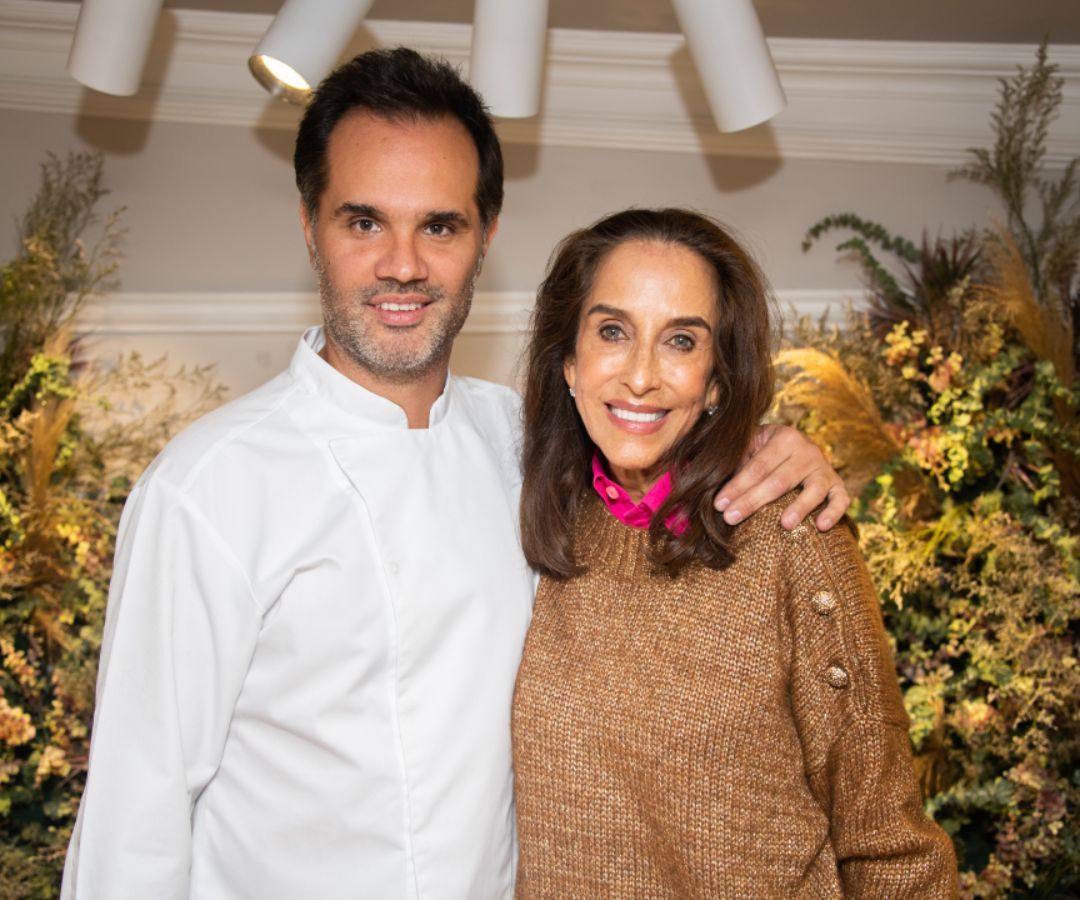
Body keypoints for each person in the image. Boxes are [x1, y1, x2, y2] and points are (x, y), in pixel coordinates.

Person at [61, 50, 849, 899]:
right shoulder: (206, 490)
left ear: (485, 238)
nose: (403, 265)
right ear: (310, 227)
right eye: (364, 222)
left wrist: (770, 447)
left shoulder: (525, 444)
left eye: (439, 226)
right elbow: (133, 826)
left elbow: (661, 435)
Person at [512, 208, 958, 897]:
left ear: (717, 380)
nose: (640, 376)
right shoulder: (540, 514)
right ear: (569, 362)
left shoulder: (792, 537)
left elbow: (889, 846)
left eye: (681, 341)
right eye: (613, 331)